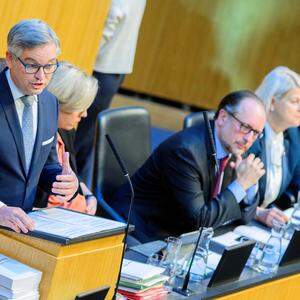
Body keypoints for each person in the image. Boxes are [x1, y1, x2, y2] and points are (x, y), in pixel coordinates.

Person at [111, 90, 266, 242]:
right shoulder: (185, 152)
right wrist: (241, 184)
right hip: (143, 231)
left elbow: (245, 217)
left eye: (256, 133)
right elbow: (200, 220)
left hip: (181, 234)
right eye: (245, 127)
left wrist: (250, 186)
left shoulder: (236, 147)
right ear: (223, 117)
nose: (249, 139)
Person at [0, 19, 78, 233]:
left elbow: (46, 164)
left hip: (22, 228)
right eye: (32, 65)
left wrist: (62, 180)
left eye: (50, 65)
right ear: (10, 59)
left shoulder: (49, 102)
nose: (41, 77)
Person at [75, 0, 147, 183]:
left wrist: (86, 54)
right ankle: (76, 192)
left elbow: (114, 13)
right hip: (113, 65)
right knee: (85, 137)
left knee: (77, 136)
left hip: (98, 64)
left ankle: (71, 194)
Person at [34, 62, 99, 215]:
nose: (84, 115)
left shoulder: (66, 131)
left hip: (77, 214)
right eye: (80, 108)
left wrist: (88, 194)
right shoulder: (30, 135)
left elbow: (72, 173)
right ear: (60, 105)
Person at [251, 66, 300, 227]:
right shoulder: (249, 135)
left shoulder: (292, 135)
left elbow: (296, 184)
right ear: (272, 102)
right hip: (236, 222)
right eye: (295, 102)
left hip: (264, 224)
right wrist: (258, 212)